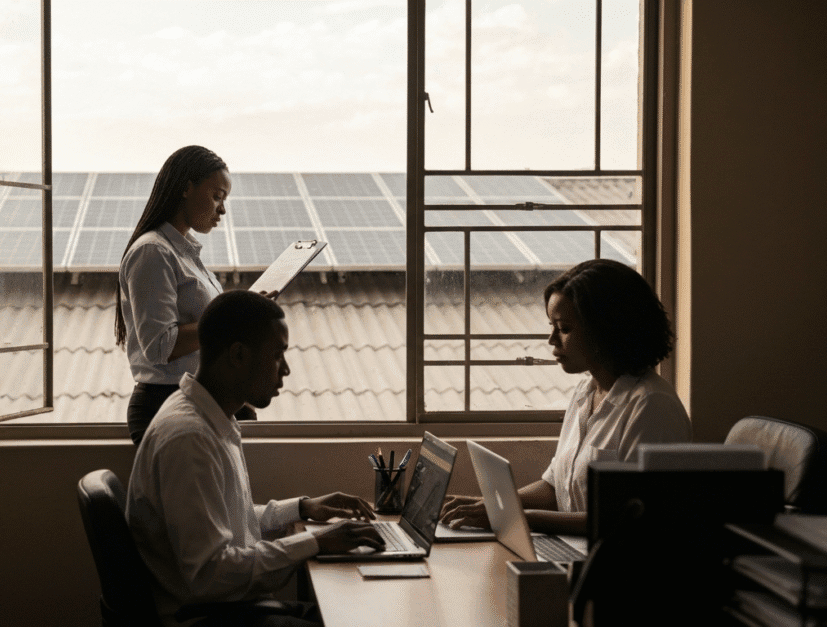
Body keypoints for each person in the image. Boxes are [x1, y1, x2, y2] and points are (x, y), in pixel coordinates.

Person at [126, 290, 383, 627]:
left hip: (230, 609)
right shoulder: (188, 438)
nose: (286, 370)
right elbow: (211, 574)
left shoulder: (211, 418)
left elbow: (229, 522)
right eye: (277, 355)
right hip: (208, 618)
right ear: (238, 355)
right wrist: (315, 541)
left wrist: (303, 509)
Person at [441, 259, 691, 536]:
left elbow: (629, 520)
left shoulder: (652, 407)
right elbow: (555, 488)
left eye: (564, 328)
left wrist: (517, 517)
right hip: (573, 547)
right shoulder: (585, 393)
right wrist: (487, 505)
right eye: (552, 325)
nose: (551, 340)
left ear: (606, 330)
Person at [117, 145, 267, 445]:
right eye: (217, 196)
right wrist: (231, 320)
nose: (222, 210)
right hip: (167, 406)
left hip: (196, 401)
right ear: (187, 188)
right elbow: (161, 346)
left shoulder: (183, 252)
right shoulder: (153, 251)